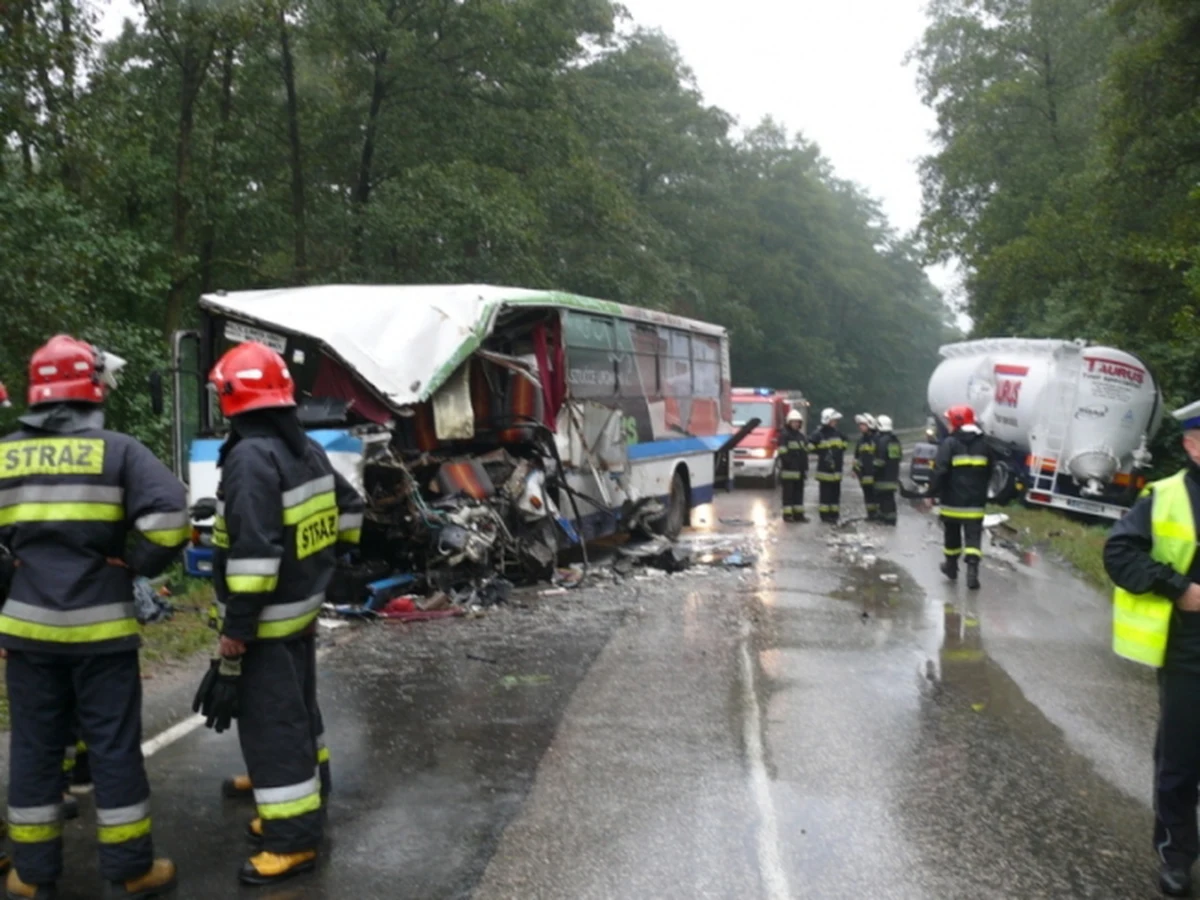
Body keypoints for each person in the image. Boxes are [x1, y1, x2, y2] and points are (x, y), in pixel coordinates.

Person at [0, 335, 188, 899]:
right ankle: (130, 869)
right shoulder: (120, 450)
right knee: (111, 747)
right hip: (101, 630)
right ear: (92, 391)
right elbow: (171, 518)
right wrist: (132, 563)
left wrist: (10, 584)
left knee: (33, 747)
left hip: (28, 631)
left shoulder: (4, 454)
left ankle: (31, 877)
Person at [200, 341, 363, 887]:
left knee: (273, 728)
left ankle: (292, 839)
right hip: (300, 612)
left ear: (231, 396)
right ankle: (302, 797)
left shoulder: (249, 458)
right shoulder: (307, 449)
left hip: (266, 623)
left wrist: (235, 633)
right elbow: (350, 508)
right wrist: (323, 574)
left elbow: (253, 555)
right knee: (299, 715)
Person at [1104, 399, 1200, 898]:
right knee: (1183, 760)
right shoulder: (1164, 497)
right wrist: (1177, 587)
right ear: (1191, 445)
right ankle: (1177, 855)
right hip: (1191, 652)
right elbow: (1119, 551)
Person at [928, 405, 993, 590]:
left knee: (952, 535)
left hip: (952, 502)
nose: (947, 425)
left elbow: (940, 470)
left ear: (957, 422)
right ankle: (972, 574)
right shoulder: (985, 444)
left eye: (949, 421)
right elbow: (990, 471)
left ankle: (951, 567)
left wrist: (931, 492)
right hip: (975, 503)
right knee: (973, 538)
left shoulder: (949, 443)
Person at [810, 408, 846, 524]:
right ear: (827, 420)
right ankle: (825, 516)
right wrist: (821, 451)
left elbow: (845, 442)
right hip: (825, 471)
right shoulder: (819, 434)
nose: (835, 423)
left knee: (835, 494)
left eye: (836, 421)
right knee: (825, 495)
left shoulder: (837, 433)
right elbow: (809, 446)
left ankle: (834, 515)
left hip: (836, 471)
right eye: (834, 420)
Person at [779, 408, 808, 522]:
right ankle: (787, 515)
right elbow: (782, 452)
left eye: (798, 422)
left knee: (799, 494)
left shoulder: (801, 436)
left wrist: (804, 468)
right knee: (788, 495)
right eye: (794, 422)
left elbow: (804, 453)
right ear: (789, 422)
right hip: (789, 471)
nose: (796, 424)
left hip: (800, 471)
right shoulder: (785, 436)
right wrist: (790, 464)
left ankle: (798, 515)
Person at [873, 415, 902, 526]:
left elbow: (880, 461)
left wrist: (871, 470)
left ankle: (886, 521)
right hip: (893, 476)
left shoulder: (882, 441)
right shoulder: (895, 440)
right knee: (890, 499)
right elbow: (898, 457)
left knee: (884, 500)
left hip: (882, 477)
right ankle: (891, 520)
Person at [853, 414, 879, 521]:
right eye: (860, 425)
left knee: (876, 495)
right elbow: (856, 458)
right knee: (868, 496)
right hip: (864, 475)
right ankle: (871, 515)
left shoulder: (877, 439)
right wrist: (855, 470)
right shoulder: (860, 441)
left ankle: (878, 515)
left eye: (863, 425)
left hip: (875, 474)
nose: (861, 427)